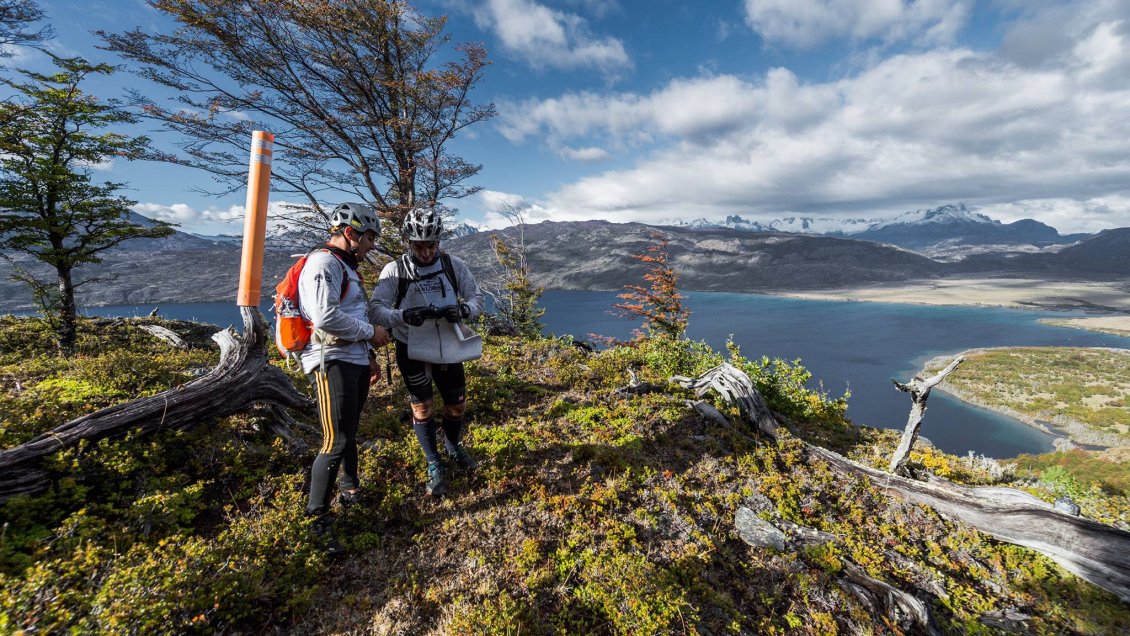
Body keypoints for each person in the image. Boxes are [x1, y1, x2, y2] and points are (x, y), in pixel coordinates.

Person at [370, 206, 484, 497]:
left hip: (449, 346)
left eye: (430, 245)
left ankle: (453, 447)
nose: (424, 253)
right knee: (423, 407)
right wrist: (404, 316)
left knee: (456, 404)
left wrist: (462, 309)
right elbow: (376, 309)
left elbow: (476, 298)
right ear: (408, 241)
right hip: (412, 348)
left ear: (439, 241)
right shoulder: (395, 270)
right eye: (417, 246)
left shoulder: (452, 265)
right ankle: (433, 463)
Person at [299, 202, 390, 552]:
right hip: (328, 361)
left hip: (350, 358)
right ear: (350, 233)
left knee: (349, 431)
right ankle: (317, 519)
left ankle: (350, 491)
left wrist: (367, 357)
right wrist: (370, 333)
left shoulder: (346, 266)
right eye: (369, 238)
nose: (371, 245)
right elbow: (324, 317)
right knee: (334, 439)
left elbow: (347, 312)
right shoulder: (323, 263)